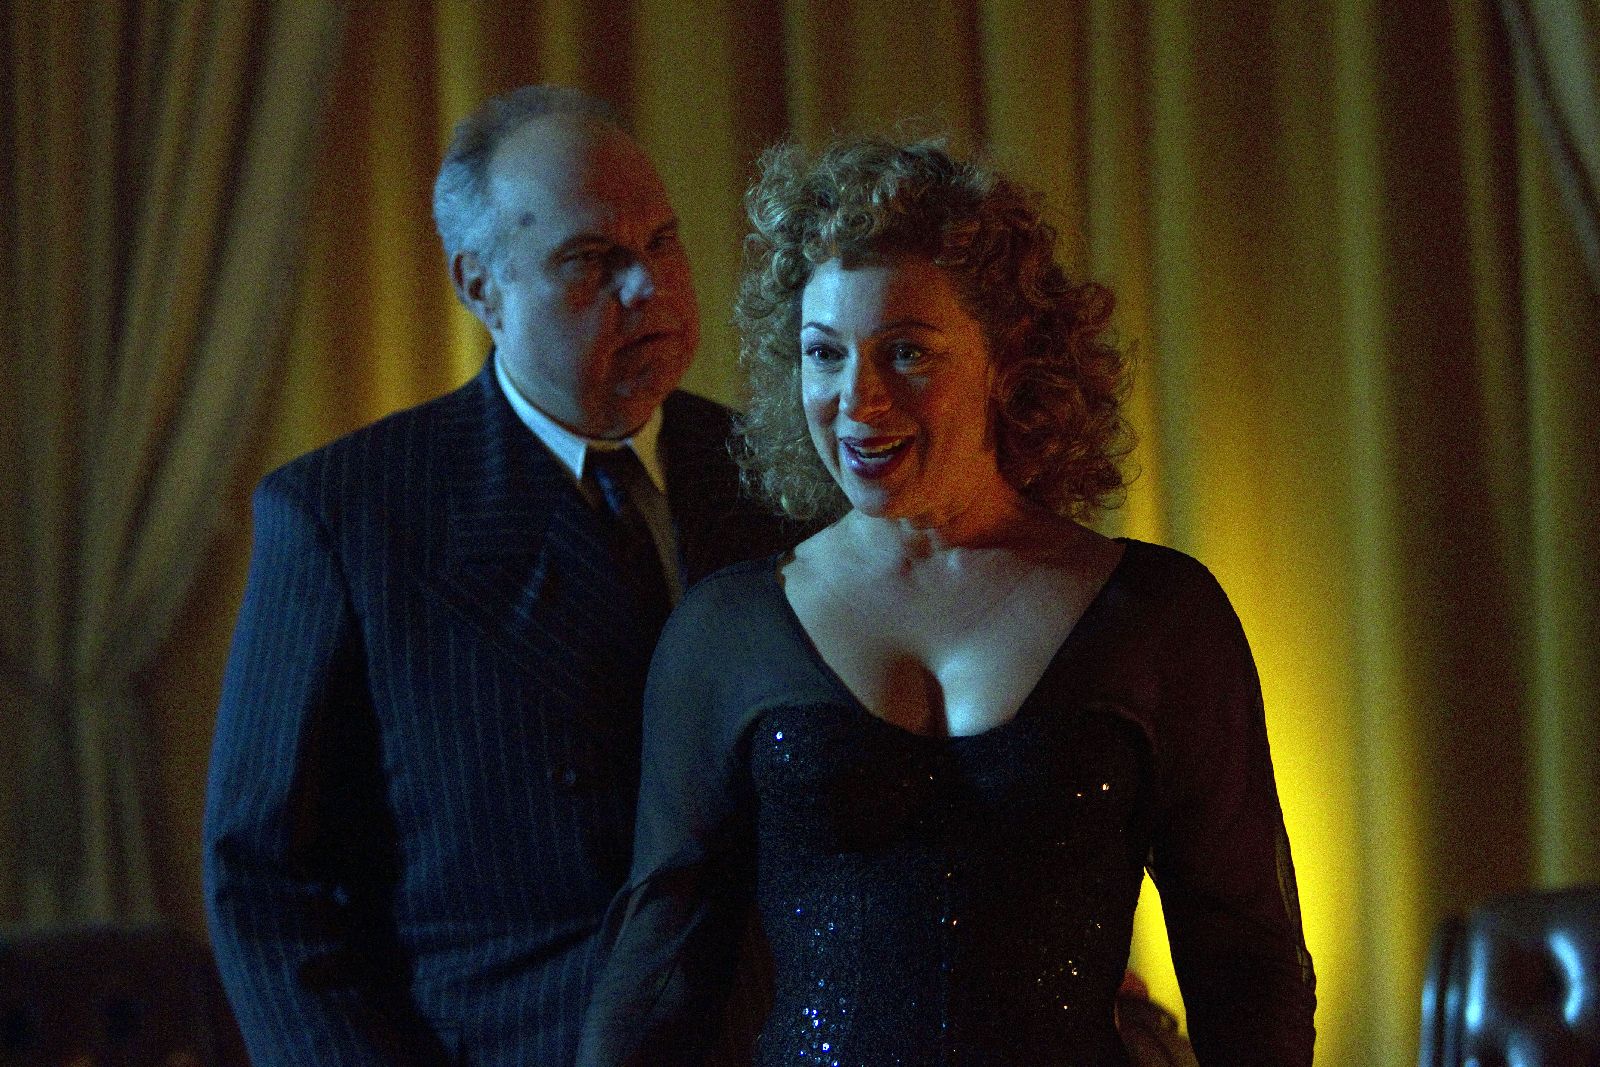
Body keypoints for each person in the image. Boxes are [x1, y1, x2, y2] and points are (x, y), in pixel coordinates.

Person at [578, 137, 1316, 1066]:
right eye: (824, 354)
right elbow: (654, 984)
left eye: (907, 353)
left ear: (1008, 357)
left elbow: (1248, 965)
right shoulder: (726, 632)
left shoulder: (1160, 615)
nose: (859, 400)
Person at [203, 86, 796, 1066]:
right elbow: (265, 881)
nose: (646, 287)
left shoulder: (779, 476)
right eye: (591, 260)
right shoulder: (350, 515)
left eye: (662, 243)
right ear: (479, 286)